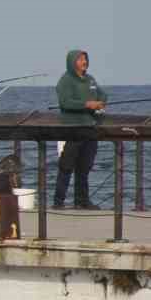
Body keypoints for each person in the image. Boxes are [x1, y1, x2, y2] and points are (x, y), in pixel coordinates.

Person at [54, 49, 107, 209]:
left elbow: (103, 94)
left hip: (90, 128)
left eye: (85, 59)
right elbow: (65, 102)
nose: (84, 62)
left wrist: (101, 102)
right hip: (72, 129)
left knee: (84, 167)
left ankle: (81, 201)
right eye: (80, 59)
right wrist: (86, 104)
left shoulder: (90, 79)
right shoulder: (65, 80)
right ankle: (58, 202)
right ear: (72, 62)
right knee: (66, 167)